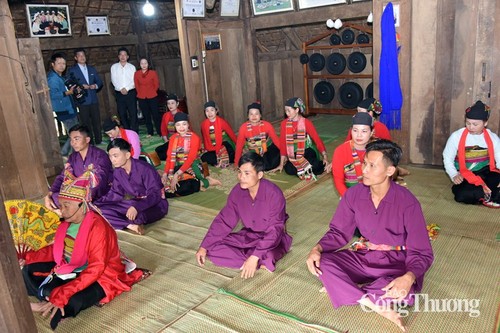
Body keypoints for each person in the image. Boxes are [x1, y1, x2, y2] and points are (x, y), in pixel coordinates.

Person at [306, 140, 434, 332]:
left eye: (372, 165)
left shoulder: (408, 203)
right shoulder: (354, 194)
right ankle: (372, 302)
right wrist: (317, 249)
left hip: (396, 262)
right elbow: (339, 232)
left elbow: (422, 251)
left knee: (405, 293)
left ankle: (343, 288)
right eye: (364, 163)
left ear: (390, 171)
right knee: (321, 263)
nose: (364, 170)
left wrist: (408, 277)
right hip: (363, 256)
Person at [21, 167, 149, 330]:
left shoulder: (98, 228)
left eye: (67, 205)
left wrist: (64, 292)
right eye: (61, 205)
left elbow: (96, 268)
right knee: (27, 270)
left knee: (73, 300)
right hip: (72, 266)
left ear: (82, 206)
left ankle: (49, 299)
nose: (62, 210)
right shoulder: (66, 222)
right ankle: (47, 298)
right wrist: (28, 257)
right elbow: (58, 249)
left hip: (101, 274)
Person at [196, 152, 292, 279]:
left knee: (268, 254)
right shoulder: (237, 191)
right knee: (212, 248)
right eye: (240, 172)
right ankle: (255, 260)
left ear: (260, 175)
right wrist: (204, 246)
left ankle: (255, 258)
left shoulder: (274, 194)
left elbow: (275, 229)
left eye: (247, 173)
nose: (241, 177)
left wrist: (255, 256)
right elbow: (224, 220)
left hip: (272, 238)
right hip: (248, 235)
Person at [95, 139, 168, 234]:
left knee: (138, 216)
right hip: (135, 202)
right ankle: (130, 225)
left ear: (127, 155)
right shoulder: (118, 171)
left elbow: (155, 195)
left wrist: (136, 207)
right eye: (110, 156)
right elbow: (115, 193)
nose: (112, 160)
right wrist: (96, 204)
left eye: (115, 156)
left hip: (155, 204)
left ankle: (126, 221)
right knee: (100, 211)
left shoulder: (145, 169)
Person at [443, 100, 500, 208]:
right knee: (462, 195)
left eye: (475, 124)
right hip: (465, 173)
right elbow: (447, 158)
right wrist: (454, 174)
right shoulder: (456, 136)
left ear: (485, 123)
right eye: (468, 123)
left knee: (496, 180)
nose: (471, 127)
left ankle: (486, 194)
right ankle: (492, 195)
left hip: (485, 171)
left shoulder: (493, 138)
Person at [44, 124, 113, 214]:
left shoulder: (100, 155)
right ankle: (77, 210)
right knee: (54, 197)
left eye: (76, 139)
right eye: (71, 139)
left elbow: (101, 180)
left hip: (98, 195)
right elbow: (62, 176)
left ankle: (72, 211)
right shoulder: (73, 157)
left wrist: (82, 196)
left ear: (87, 140)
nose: (73, 143)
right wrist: (50, 193)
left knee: (102, 207)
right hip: (77, 195)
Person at [162, 112, 221, 197]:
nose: (181, 127)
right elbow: (170, 158)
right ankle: (198, 184)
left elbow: (190, 159)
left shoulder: (194, 138)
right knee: (167, 189)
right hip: (180, 167)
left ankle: (205, 182)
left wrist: (176, 175)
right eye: (178, 125)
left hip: (193, 166)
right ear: (175, 126)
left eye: (184, 124)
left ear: (188, 125)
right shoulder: (173, 138)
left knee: (182, 187)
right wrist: (165, 174)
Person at [272, 97, 330, 180]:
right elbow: (283, 143)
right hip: (293, 153)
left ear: (297, 110)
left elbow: (317, 139)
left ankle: (319, 165)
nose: (287, 113)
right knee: (289, 169)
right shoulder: (284, 124)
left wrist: (325, 157)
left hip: (307, 150)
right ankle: (304, 170)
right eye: (286, 111)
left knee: (314, 165)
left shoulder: (306, 123)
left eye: (289, 110)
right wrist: (281, 164)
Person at [332, 112, 374, 197]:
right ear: (351, 131)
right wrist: (350, 200)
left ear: (371, 132)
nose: (359, 135)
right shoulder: (340, 151)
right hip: (349, 195)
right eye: (355, 130)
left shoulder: (377, 150)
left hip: (374, 193)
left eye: (364, 131)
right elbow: (338, 180)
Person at [68, 48, 104, 144]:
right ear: (76, 58)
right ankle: (90, 142)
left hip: (93, 99)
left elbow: (99, 82)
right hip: (82, 100)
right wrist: (80, 87)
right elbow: (70, 85)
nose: (82, 57)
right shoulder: (72, 70)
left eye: (83, 55)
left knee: (96, 121)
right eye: (79, 56)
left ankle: (99, 140)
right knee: (85, 123)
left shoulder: (91, 69)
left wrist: (94, 86)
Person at [47, 52, 79, 156]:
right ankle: (74, 154)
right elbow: (52, 95)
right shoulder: (53, 78)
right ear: (53, 64)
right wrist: (67, 93)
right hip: (64, 109)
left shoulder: (61, 77)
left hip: (69, 107)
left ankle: (64, 151)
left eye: (64, 63)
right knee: (75, 134)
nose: (62, 66)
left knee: (74, 132)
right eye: (59, 63)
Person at [234, 102, 280, 171]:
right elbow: (239, 146)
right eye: (251, 114)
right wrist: (236, 163)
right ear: (248, 116)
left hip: (267, 149)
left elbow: (276, 141)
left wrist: (284, 155)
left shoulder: (267, 125)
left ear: (260, 115)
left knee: (270, 163)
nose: (254, 116)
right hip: (253, 151)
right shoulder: (243, 128)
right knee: (249, 164)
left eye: (256, 114)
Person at [200, 100, 237, 168]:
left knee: (231, 155)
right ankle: (218, 159)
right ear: (205, 112)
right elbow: (205, 138)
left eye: (212, 110)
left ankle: (221, 159)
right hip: (211, 148)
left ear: (216, 111)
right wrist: (206, 149)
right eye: (207, 111)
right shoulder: (203, 124)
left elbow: (232, 134)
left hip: (222, 145)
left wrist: (238, 145)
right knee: (204, 157)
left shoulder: (222, 122)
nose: (210, 113)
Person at [110, 47, 138, 132]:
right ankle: (127, 131)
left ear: (128, 57)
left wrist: (127, 88)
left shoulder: (132, 67)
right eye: (121, 55)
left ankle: (135, 131)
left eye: (124, 55)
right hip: (119, 93)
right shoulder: (114, 67)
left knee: (133, 113)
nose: (123, 57)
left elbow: (134, 80)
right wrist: (121, 89)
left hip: (131, 92)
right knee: (122, 113)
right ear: (118, 56)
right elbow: (113, 80)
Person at [134, 58, 161, 137]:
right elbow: (136, 85)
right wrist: (140, 93)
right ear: (140, 65)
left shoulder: (153, 73)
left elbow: (156, 84)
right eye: (142, 63)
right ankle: (150, 132)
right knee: (146, 115)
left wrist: (152, 91)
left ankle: (159, 131)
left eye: (145, 63)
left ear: (148, 64)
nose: (144, 65)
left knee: (155, 114)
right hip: (142, 97)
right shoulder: (136, 74)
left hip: (152, 96)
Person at [155, 94, 185, 160]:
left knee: (164, 155)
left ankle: (176, 155)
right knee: (157, 150)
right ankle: (174, 155)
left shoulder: (182, 115)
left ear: (177, 104)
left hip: (180, 141)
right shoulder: (166, 115)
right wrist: (166, 140)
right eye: (168, 103)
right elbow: (163, 129)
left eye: (172, 103)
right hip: (170, 141)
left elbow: (186, 132)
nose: (170, 105)